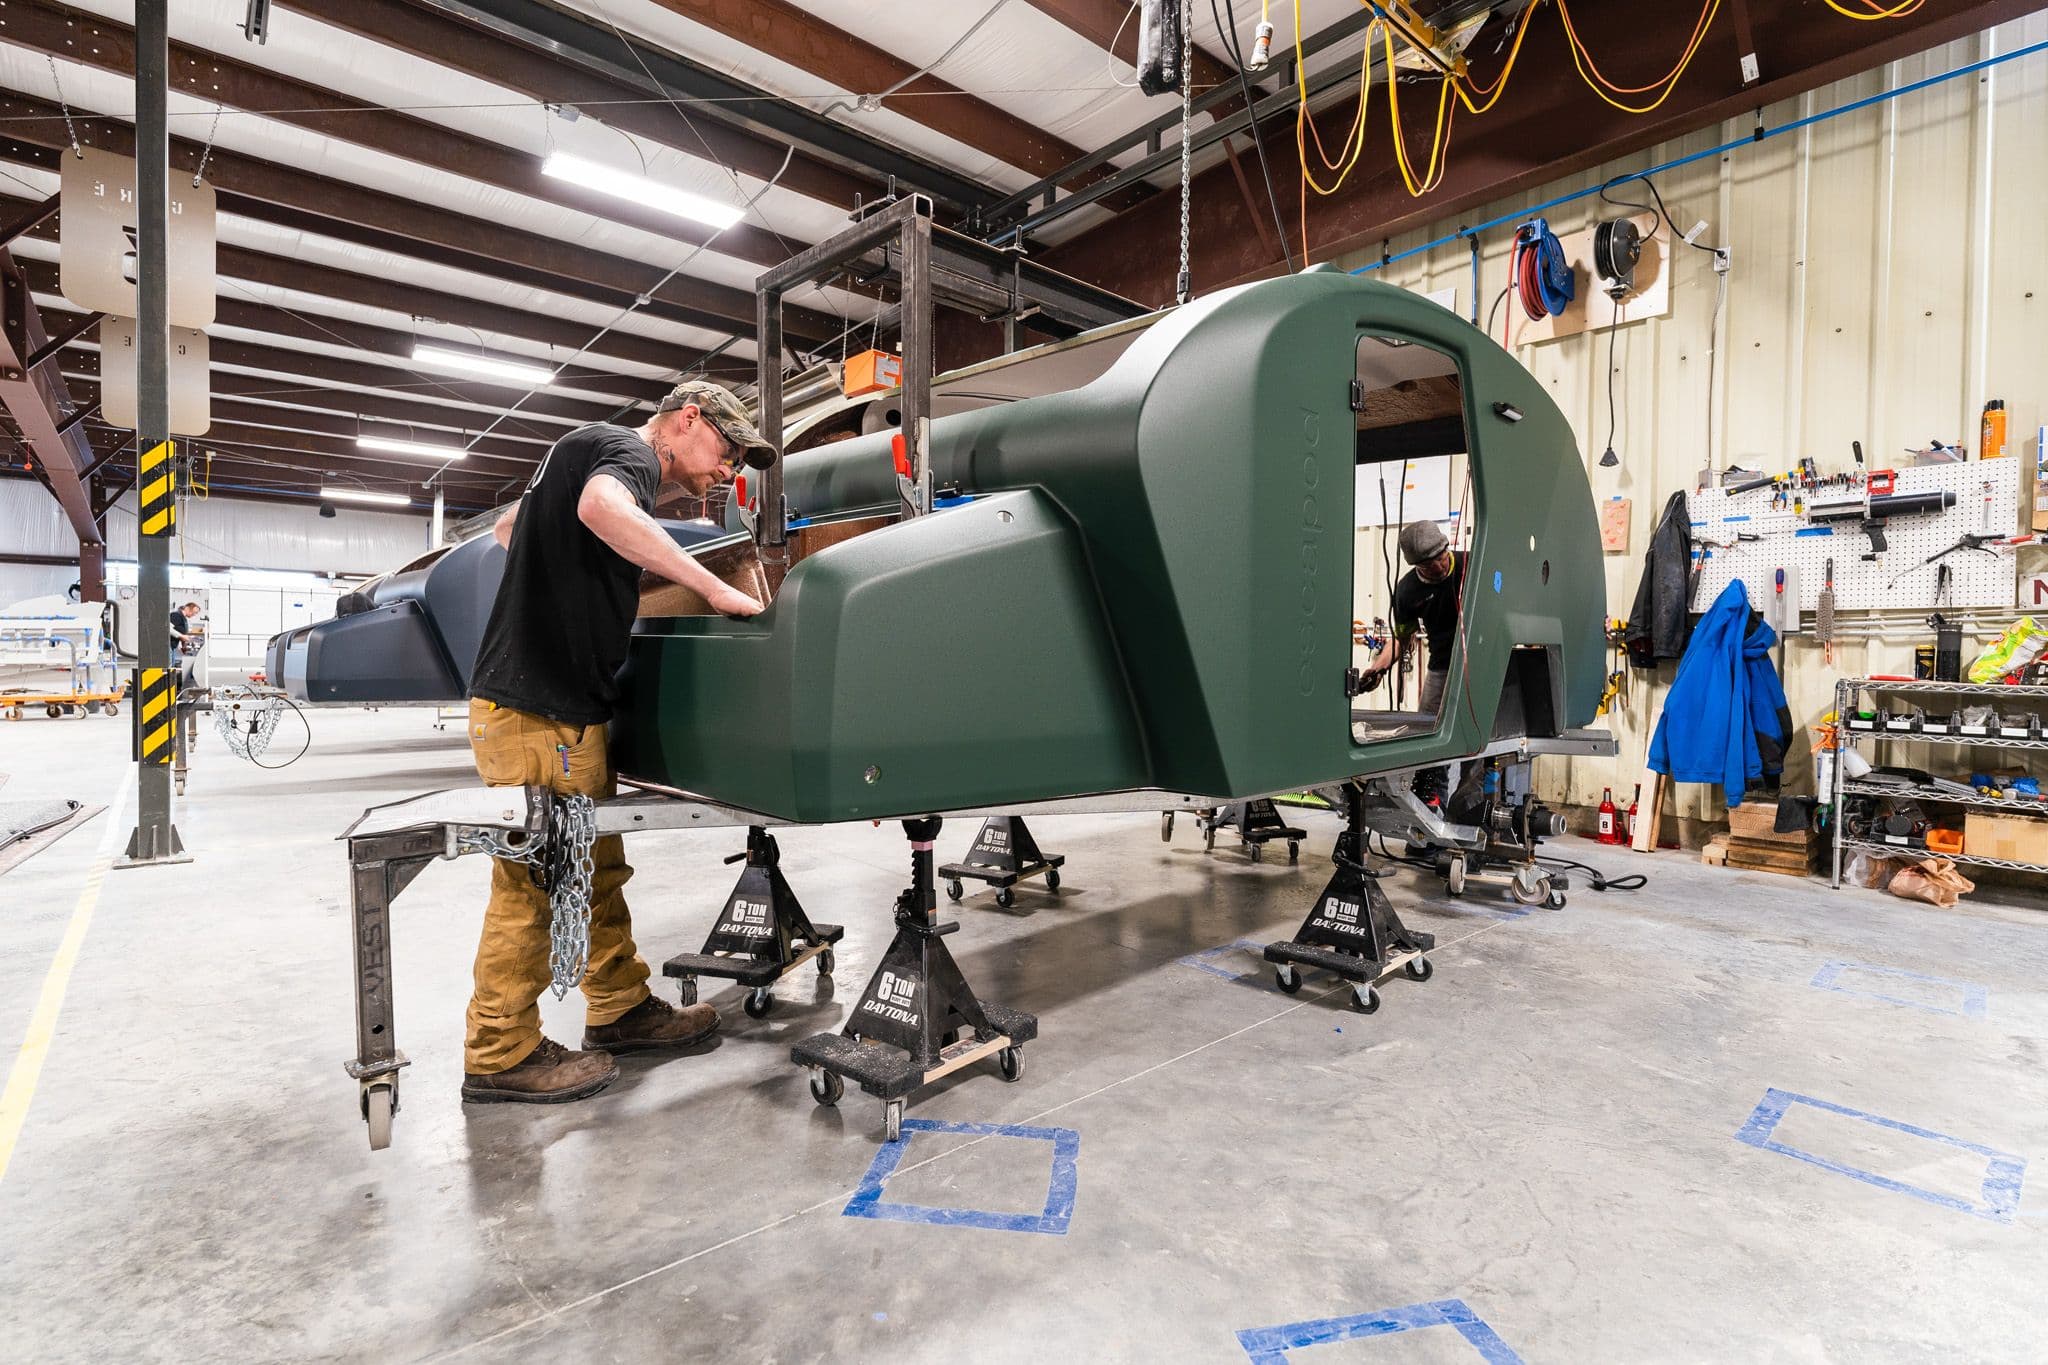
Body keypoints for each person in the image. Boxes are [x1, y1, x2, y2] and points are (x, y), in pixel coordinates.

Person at [461, 380, 777, 1105]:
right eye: (726, 450)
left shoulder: (584, 453)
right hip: (534, 711)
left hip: (563, 714)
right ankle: (499, 1050)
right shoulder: (627, 451)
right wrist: (715, 588)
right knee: (536, 884)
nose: (728, 471)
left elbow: (510, 529)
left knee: (594, 868)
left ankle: (620, 1007)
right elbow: (600, 506)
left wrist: (573, 582)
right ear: (685, 421)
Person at [1367, 520, 1467, 805]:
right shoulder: (1408, 591)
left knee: (1481, 745)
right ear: (1415, 565)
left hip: (1481, 667)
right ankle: (1430, 811)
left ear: (1447, 548)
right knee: (1428, 739)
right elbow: (1401, 638)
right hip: (1441, 667)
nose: (1437, 567)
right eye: (1427, 565)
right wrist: (1379, 667)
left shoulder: (1472, 565)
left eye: (1440, 558)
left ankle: (1469, 813)